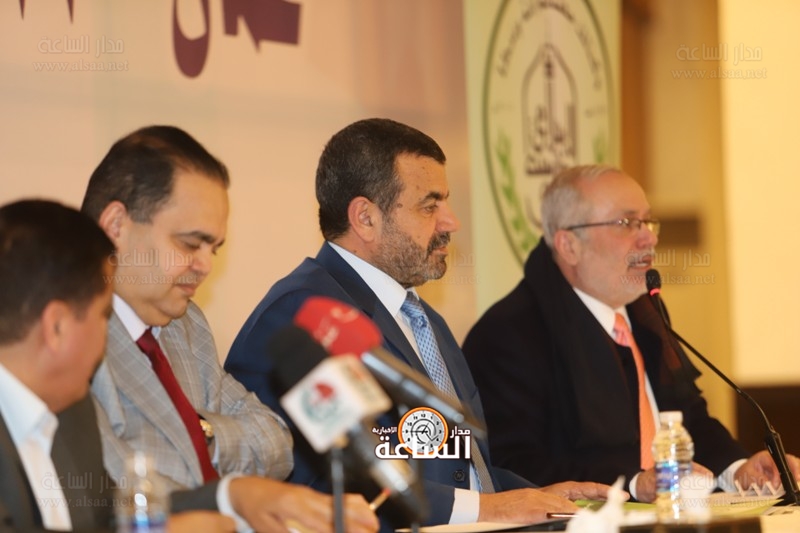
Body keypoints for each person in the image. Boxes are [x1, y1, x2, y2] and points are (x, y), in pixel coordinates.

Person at [225, 118, 612, 530]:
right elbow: (317, 488)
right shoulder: (305, 319)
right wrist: (489, 509)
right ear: (365, 218)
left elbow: (458, 467)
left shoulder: (422, 318)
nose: (450, 222)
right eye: (430, 206)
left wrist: (535, 495)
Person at [0, 199, 379, 533]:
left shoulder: (70, 415)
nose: (107, 338)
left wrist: (236, 496)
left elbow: (111, 518)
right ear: (56, 327)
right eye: (102, 316)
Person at [461, 164, 800, 502]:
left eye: (648, 222)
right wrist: (635, 484)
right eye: (626, 224)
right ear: (569, 245)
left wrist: (737, 469)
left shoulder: (645, 312)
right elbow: (512, 465)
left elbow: (688, 418)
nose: (649, 238)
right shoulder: (508, 334)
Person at [79, 125, 295, 493]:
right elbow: (122, 492)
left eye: (214, 249)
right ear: (116, 226)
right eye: (190, 244)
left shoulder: (186, 324)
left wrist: (202, 431)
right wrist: (227, 496)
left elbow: (276, 442)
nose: (206, 266)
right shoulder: (66, 334)